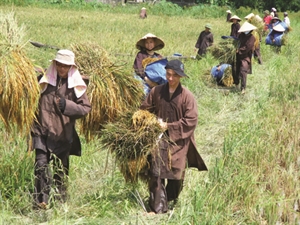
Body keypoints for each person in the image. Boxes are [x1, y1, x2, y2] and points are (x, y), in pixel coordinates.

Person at [140, 59, 207, 214]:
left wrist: (169, 126)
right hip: (159, 138)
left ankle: (169, 198)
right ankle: (158, 209)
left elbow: (191, 120)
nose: (170, 78)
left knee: (176, 174)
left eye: (174, 76)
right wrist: (153, 121)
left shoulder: (187, 97)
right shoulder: (156, 92)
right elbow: (144, 109)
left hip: (179, 140)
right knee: (156, 172)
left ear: (180, 77)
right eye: (168, 74)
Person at [30, 49, 92, 209]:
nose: (62, 69)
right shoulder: (44, 81)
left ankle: (60, 201)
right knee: (41, 165)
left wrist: (67, 105)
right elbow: (28, 95)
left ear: (71, 67)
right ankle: (41, 201)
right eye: (59, 65)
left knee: (60, 170)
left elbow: (85, 108)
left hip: (62, 134)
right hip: (41, 130)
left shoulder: (76, 86)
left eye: (65, 66)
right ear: (55, 64)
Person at [235, 22, 257, 94]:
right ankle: (236, 84)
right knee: (236, 69)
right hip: (238, 55)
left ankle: (243, 88)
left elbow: (248, 47)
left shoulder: (252, 37)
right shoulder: (241, 35)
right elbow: (237, 42)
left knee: (243, 71)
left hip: (246, 56)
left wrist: (239, 50)